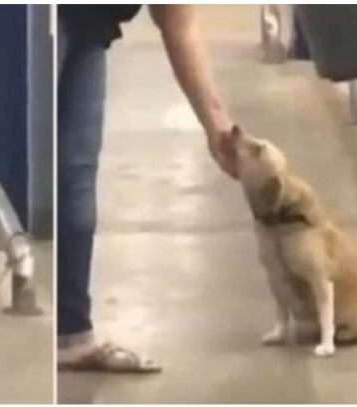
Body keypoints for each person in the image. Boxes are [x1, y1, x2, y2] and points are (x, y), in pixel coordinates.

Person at [57, 5, 239, 372]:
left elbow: (177, 21)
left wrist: (215, 122)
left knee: (76, 178)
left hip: (88, 26)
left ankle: (71, 334)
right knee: (35, 160)